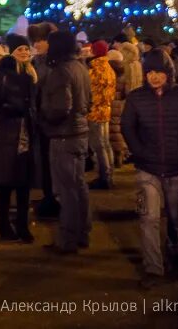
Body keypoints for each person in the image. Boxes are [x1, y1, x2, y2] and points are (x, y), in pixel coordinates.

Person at [121, 49, 178, 287]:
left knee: (177, 215)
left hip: (177, 168)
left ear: (168, 73)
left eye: (159, 72)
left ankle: (175, 251)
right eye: (150, 72)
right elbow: (128, 126)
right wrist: (139, 151)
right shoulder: (136, 98)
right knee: (148, 218)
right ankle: (153, 268)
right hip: (147, 167)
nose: (154, 77)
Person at [40, 31, 92, 254]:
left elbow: (61, 107)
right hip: (79, 133)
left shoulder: (60, 72)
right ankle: (82, 232)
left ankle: (69, 238)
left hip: (64, 134)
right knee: (79, 185)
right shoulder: (80, 67)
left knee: (67, 190)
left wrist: (46, 119)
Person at [0, 33, 39, 242]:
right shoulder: (5, 74)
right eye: (20, 50)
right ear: (12, 53)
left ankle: (23, 225)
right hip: (9, 132)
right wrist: (13, 108)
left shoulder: (32, 73)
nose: (25, 52)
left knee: (24, 183)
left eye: (26, 49)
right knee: (6, 181)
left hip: (27, 133)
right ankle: (5, 223)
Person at [28, 22, 59, 218]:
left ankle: (52, 199)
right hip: (41, 120)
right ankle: (48, 196)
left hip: (50, 121)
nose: (37, 44)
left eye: (41, 40)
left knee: (51, 163)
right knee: (45, 162)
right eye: (35, 40)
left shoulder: (51, 64)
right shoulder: (37, 62)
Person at [87, 40, 116, 189]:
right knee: (105, 144)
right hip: (106, 109)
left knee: (98, 146)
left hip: (95, 112)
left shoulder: (94, 69)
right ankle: (109, 174)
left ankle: (104, 177)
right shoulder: (108, 68)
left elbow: (88, 91)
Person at [106, 48, 128, 168]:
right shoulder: (123, 73)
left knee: (109, 132)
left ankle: (112, 157)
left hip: (108, 103)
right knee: (117, 130)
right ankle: (119, 153)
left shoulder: (106, 71)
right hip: (119, 105)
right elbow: (125, 92)